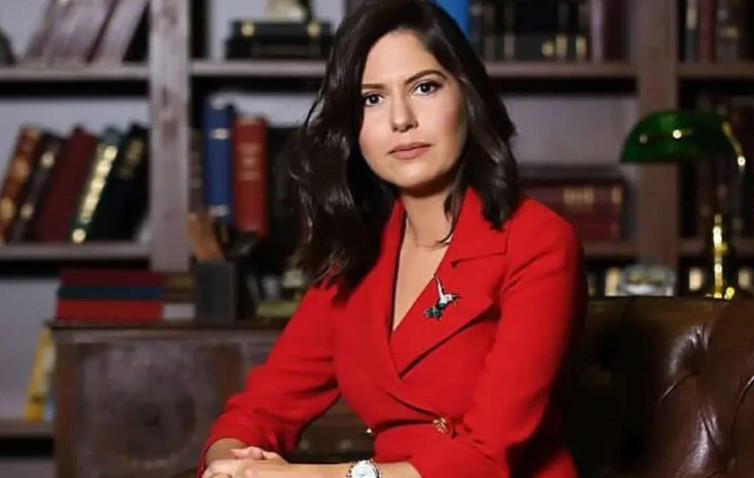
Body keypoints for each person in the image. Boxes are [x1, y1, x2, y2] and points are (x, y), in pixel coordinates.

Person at [199, 0, 587, 477]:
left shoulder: (538, 241)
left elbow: (486, 457)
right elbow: (259, 410)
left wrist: (315, 476)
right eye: (371, 99)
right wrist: (230, 465)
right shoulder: (356, 254)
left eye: (424, 87)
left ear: (468, 96)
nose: (401, 119)